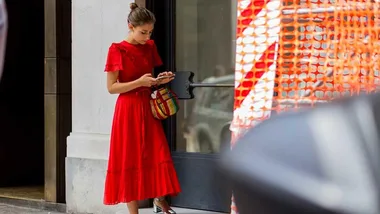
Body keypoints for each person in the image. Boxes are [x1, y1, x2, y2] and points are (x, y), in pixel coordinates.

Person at [103, 3, 181, 214]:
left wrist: (160, 80)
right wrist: (139, 82)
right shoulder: (117, 49)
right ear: (130, 26)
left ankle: (159, 199)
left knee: (157, 151)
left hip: (148, 107)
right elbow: (111, 88)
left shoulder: (149, 46)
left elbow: (148, 79)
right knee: (129, 157)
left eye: (150, 32)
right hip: (127, 109)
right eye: (142, 32)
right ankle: (133, 212)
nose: (147, 37)